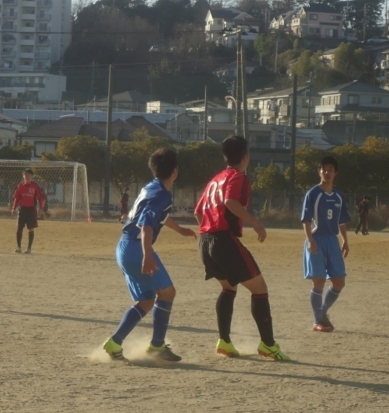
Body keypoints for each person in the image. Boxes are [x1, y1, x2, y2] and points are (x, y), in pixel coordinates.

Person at [194, 135, 290, 360]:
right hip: (222, 240)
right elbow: (230, 202)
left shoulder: (214, 180)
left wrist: (209, 232)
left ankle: (224, 342)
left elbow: (198, 211)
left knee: (228, 288)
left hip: (205, 241)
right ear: (245, 157)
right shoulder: (238, 177)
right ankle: (268, 345)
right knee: (260, 289)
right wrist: (255, 223)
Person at [102, 148, 196, 363]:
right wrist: (147, 256)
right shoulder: (162, 194)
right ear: (175, 171)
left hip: (125, 246)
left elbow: (157, 216)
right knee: (168, 293)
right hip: (137, 248)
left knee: (146, 300)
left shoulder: (152, 187)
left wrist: (180, 230)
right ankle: (157, 346)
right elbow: (146, 224)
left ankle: (115, 342)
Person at [301, 155, 351, 333]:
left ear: (335, 173)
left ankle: (322, 312)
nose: (327, 172)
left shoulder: (338, 196)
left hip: (332, 240)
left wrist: (345, 240)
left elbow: (342, 221)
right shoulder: (313, 193)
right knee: (319, 280)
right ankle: (317, 321)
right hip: (316, 239)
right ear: (319, 171)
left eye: (330, 169)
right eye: (324, 169)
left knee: (339, 282)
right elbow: (306, 220)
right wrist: (310, 240)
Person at [11, 168, 46, 254]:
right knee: (19, 228)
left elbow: (40, 198)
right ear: (23, 176)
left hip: (31, 210)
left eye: (29, 175)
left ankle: (29, 248)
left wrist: (41, 208)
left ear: (31, 176)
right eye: (25, 175)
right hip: (22, 209)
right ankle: (18, 247)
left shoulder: (35, 186)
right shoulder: (20, 186)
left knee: (30, 229)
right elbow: (16, 198)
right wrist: (14, 207)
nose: (27, 177)